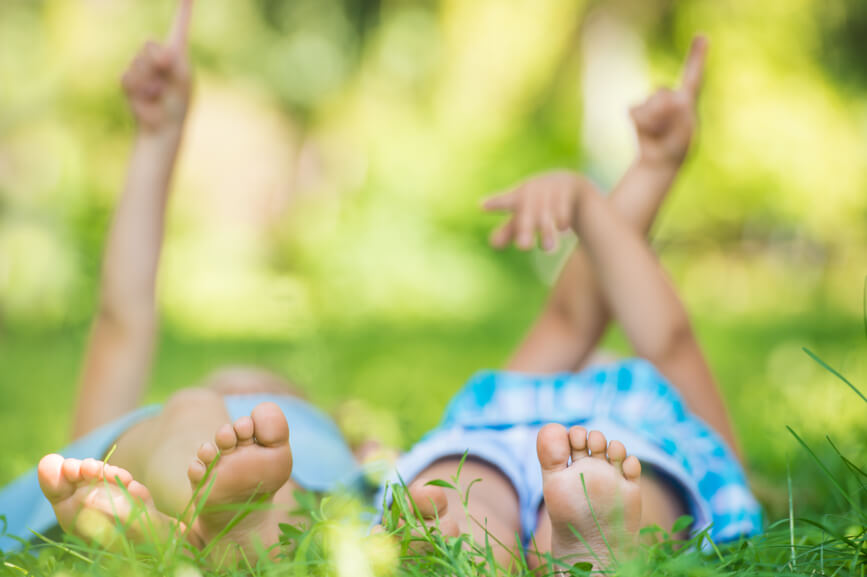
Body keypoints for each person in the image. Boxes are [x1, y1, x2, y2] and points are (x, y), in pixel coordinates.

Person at [0, 0, 760, 570]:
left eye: (268, 394)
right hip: (273, 469)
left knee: (230, 428)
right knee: (196, 415)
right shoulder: (168, 432)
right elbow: (122, 314)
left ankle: (228, 523)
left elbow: (585, 314)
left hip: (313, 475)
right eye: (265, 393)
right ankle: (235, 519)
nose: (249, 393)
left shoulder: (398, 438)